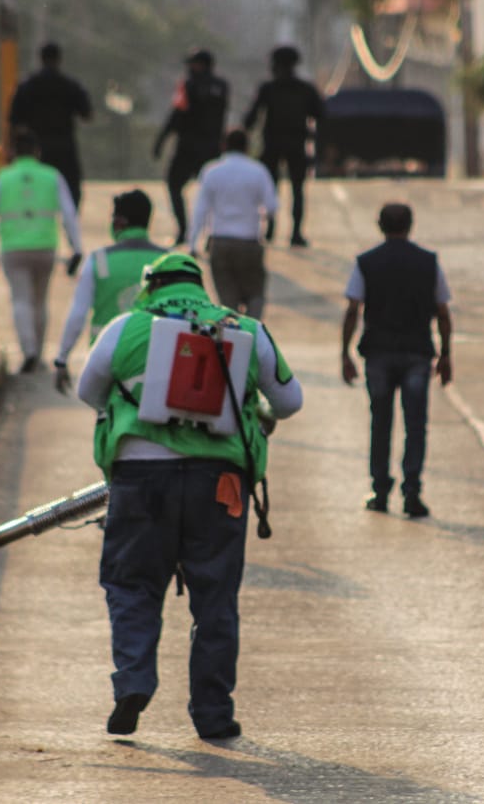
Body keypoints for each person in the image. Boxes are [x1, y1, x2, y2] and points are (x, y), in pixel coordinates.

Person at [76, 252, 303, 740]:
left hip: (140, 481)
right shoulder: (246, 330)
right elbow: (290, 401)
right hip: (219, 483)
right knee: (215, 597)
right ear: (201, 288)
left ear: (150, 287)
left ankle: (133, 683)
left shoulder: (123, 328)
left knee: (133, 585)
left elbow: (88, 391)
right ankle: (213, 714)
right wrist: (247, 403)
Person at [340, 203, 452, 519]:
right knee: (416, 424)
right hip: (417, 351)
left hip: (378, 352)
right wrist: (446, 355)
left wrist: (344, 353)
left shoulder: (366, 262)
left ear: (380, 225)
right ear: (411, 225)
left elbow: (353, 309)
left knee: (381, 421)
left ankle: (380, 489)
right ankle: (412, 490)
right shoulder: (428, 263)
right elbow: (443, 312)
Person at [0, 128, 81, 373]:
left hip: (13, 247)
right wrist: (76, 246)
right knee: (40, 300)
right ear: (37, 152)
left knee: (21, 299)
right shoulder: (52, 176)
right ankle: (39, 351)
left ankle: (29, 351)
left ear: (13, 153)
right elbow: (69, 213)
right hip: (45, 246)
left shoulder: (3, 177)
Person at [53, 189, 166, 394]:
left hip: (107, 359)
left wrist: (62, 359)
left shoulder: (99, 261)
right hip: (156, 360)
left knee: (107, 418)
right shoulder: (168, 260)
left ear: (119, 223)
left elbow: (78, 315)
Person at [189, 129, 279, 319]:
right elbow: (271, 206)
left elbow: (200, 210)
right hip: (249, 241)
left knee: (227, 302)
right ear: (247, 147)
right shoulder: (258, 171)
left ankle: (234, 339)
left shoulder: (211, 171)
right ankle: (253, 333)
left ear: (223, 146)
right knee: (255, 293)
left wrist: (192, 244)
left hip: (220, 242)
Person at [242, 45, 324, 247]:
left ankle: (270, 229)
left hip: (272, 144)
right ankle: (295, 233)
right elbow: (321, 115)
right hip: (296, 143)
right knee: (297, 189)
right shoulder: (305, 89)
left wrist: (243, 135)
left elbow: (251, 118)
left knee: (271, 188)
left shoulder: (268, 88)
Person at [153, 49, 229, 246]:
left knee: (174, 184)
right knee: (213, 192)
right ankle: (212, 234)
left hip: (187, 147)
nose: (189, 68)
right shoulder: (222, 87)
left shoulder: (187, 85)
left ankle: (183, 231)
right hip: (212, 147)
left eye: (192, 64)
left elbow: (176, 115)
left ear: (201, 65)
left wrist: (161, 140)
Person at [8, 42, 94, 209]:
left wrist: (12, 148)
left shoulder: (27, 86)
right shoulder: (69, 85)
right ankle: (70, 221)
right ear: (59, 59)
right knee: (71, 189)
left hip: (36, 148)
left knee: (34, 187)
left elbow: (13, 121)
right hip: (65, 146)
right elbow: (87, 114)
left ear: (40, 59)